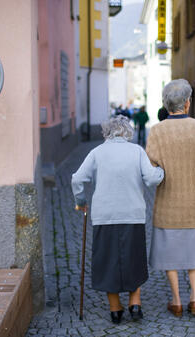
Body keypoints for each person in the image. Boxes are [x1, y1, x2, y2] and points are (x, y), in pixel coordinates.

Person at [71, 115, 164, 324]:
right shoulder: (137, 151)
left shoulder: (97, 152)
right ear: (128, 132)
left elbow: (77, 178)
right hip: (132, 214)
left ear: (107, 132)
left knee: (107, 261)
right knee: (134, 258)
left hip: (105, 216)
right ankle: (135, 302)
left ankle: (115, 309)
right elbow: (151, 179)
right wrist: (161, 171)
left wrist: (81, 200)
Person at [146, 79, 195, 317]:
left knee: (169, 253)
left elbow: (150, 168)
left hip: (167, 204)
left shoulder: (156, 130)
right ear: (187, 103)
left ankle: (176, 301)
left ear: (167, 105)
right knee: (193, 251)